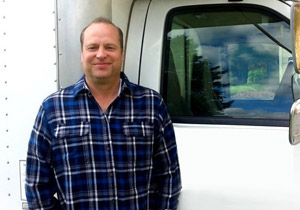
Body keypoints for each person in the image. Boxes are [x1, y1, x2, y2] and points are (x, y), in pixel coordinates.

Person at [26, 17, 181, 210]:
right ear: (82, 54)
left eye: (109, 47)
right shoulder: (52, 108)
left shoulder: (151, 104)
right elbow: (36, 183)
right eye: (92, 47)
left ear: (122, 54)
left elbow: (169, 175)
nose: (101, 54)